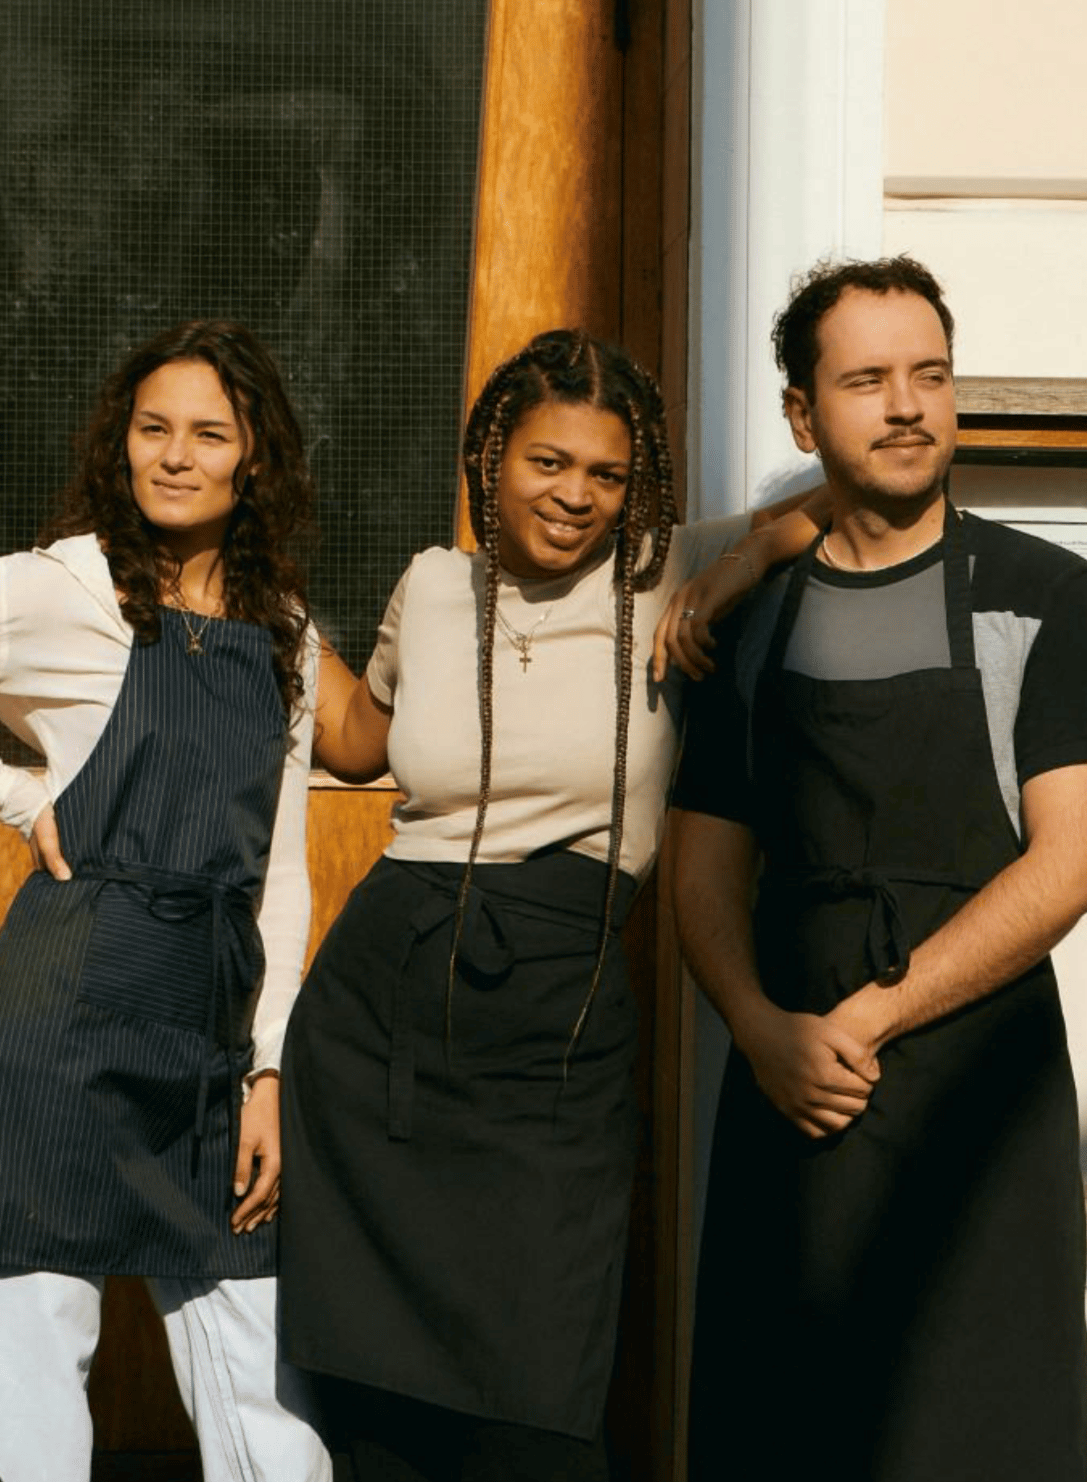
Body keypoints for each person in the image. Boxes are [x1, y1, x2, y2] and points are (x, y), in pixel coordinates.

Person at [280, 328, 816, 1480]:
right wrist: (252, 602)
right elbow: (359, 744)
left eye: (605, 474)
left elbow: (851, 492)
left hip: (554, 1021)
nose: (575, 496)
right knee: (375, 1403)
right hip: (377, 1009)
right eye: (546, 462)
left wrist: (743, 561)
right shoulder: (430, 585)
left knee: (536, 1404)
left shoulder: (666, 569)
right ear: (490, 458)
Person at [671, 255, 1087, 1479]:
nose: (906, 406)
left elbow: (1071, 865)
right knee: (784, 1429)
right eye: (867, 379)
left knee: (982, 1424)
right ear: (800, 413)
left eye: (928, 375)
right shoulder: (750, 623)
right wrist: (758, 1028)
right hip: (791, 1091)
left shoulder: (1046, 594)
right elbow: (703, 867)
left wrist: (874, 1015)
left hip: (976, 1090)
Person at [0, 321, 329, 1481]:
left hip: (207, 1023)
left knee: (258, 1371)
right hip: (61, 1012)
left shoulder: (284, 629)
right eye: (152, 429)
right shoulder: (49, 591)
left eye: (208, 433)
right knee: (26, 1363)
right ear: (121, 443)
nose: (174, 456)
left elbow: (283, 870)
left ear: (252, 458)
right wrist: (12, 791)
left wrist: (266, 1069)